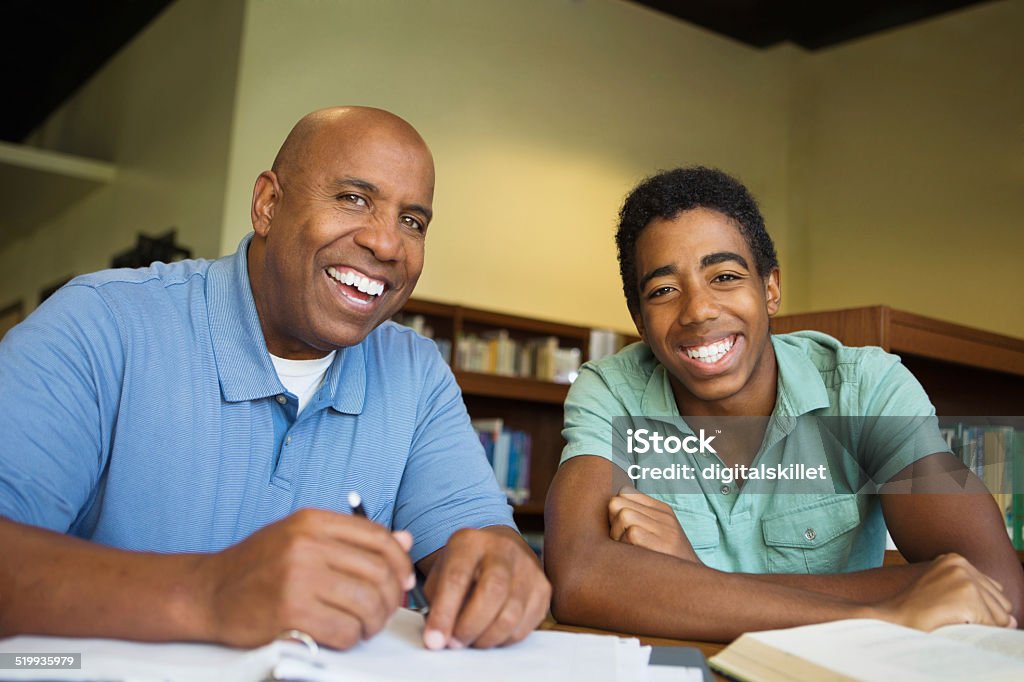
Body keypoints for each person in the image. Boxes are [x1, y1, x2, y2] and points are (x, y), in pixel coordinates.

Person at [0, 106, 549, 651]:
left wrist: (500, 571)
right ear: (268, 204)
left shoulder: (417, 373)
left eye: (413, 221)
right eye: (353, 198)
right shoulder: (101, 324)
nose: (386, 244)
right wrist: (211, 593)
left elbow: (480, 540)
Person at [545, 166, 1022, 641]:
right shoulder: (610, 391)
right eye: (664, 290)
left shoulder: (866, 388)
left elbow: (995, 585)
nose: (698, 310)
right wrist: (879, 611)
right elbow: (580, 577)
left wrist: (692, 583)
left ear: (770, 289)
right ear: (639, 319)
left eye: (725, 276)